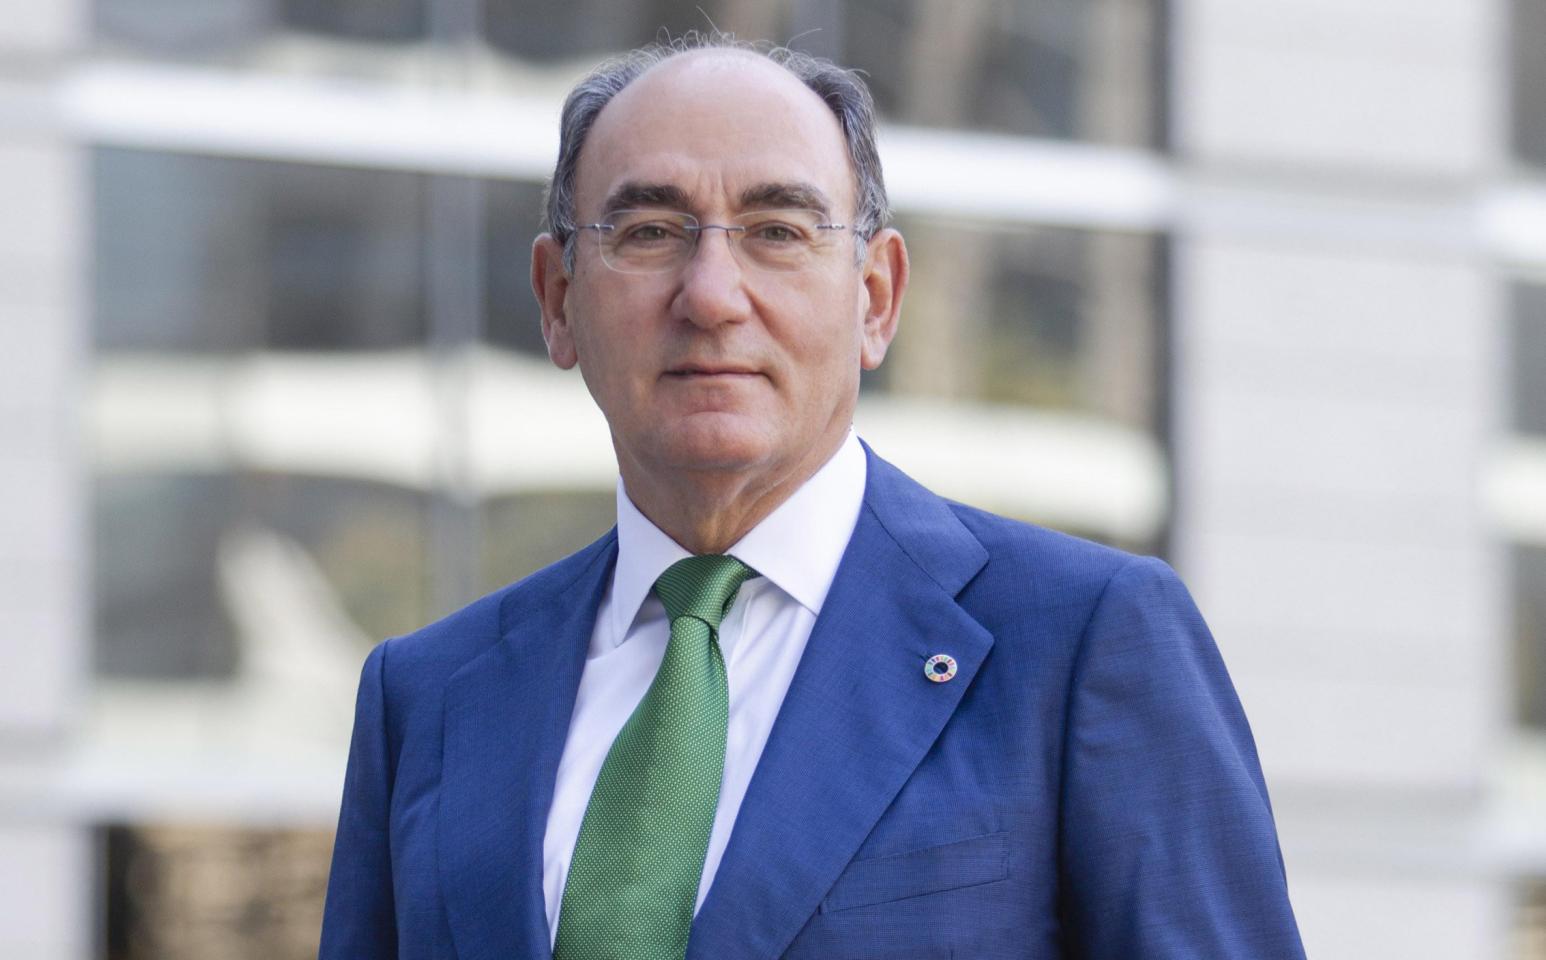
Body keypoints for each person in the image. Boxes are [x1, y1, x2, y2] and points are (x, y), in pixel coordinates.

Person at [320, 34, 1306, 960]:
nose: (711, 295)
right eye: (650, 231)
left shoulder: (1080, 644)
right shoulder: (429, 700)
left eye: (777, 232)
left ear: (874, 297)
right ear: (556, 299)